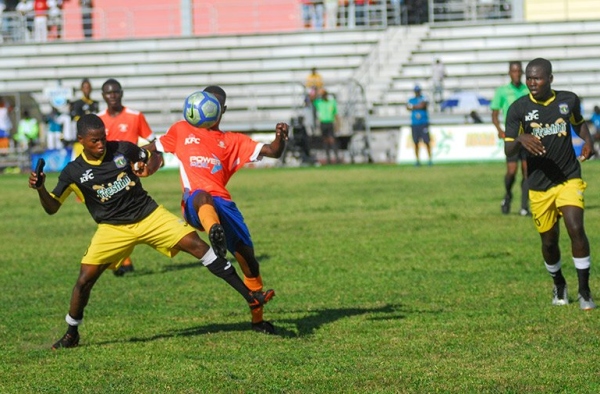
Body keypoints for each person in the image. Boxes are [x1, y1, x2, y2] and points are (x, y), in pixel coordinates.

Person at [29, 113, 275, 349]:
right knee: (84, 281)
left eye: (103, 138)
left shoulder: (121, 149)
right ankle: (72, 333)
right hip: (112, 228)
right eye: (95, 141)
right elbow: (52, 207)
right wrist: (41, 188)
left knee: (199, 246)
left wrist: (142, 162)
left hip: (149, 216)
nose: (102, 144)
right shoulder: (73, 172)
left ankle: (252, 297)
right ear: (81, 141)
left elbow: (148, 153)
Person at [147, 85, 288, 334]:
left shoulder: (232, 141)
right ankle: (215, 233)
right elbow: (154, 147)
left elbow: (273, 152)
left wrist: (280, 138)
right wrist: (139, 159)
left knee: (249, 263)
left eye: (216, 104)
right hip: (195, 203)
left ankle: (258, 320)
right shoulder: (181, 130)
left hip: (225, 205)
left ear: (221, 110)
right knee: (202, 196)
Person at [504, 57, 596, 310]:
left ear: (550, 79)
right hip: (538, 185)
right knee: (549, 241)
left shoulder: (568, 100)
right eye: (528, 78)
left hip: (568, 177)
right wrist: (521, 138)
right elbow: (508, 151)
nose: (532, 83)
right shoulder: (518, 108)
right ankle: (559, 283)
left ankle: (585, 291)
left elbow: (579, 124)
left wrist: (588, 142)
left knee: (575, 227)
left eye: (537, 78)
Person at [97, 78, 155, 275]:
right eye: (108, 92)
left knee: (127, 216)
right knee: (118, 217)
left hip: (129, 173)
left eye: (115, 92)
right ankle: (124, 261)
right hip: (106, 174)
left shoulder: (135, 116)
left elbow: (152, 140)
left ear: (121, 93)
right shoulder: (98, 120)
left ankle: (122, 260)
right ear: (103, 95)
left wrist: (145, 158)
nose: (112, 96)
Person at [490, 61, 530, 216]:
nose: (517, 73)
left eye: (519, 71)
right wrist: (500, 130)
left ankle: (524, 206)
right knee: (512, 172)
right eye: (514, 71)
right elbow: (494, 115)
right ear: (509, 73)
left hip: (526, 135)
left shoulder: (528, 89)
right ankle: (508, 195)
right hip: (512, 137)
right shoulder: (502, 91)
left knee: (527, 171)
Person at [406, 84, 432, 166]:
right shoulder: (412, 99)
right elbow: (407, 107)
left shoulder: (424, 98)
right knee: (416, 142)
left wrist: (413, 106)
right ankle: (417, 160)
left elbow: (423, 105)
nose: (417, 93)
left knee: (426, 142)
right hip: (415, 124)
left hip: (423, 123)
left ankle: (429, 159)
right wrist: (417, 106)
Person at [313, 89, 340, 164]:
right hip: (323, 123)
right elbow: (312, 99)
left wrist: (338, 124)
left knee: (332, 140)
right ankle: (328, 159)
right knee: (325, 140)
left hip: (330, 122)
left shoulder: (332, 102)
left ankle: (336, 158)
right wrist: (316, 91)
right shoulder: (319, 102)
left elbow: (336, 114)